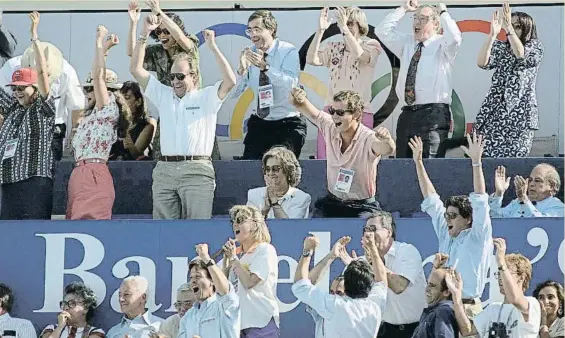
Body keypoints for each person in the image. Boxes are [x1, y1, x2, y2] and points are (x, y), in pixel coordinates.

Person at [130, 14, 235, 219]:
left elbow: (230, 81)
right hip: (164, 170)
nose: (175, 81)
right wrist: (143, 32)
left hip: (197, 170)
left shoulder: (206, 97)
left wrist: (213, 47)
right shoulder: (164, 95)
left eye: (180, 76)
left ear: (194, 76)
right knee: (163, 232)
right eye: (172, 77)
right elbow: (135, 68)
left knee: (197, 230)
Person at [410, 134, 492, 318]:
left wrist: (476, 163)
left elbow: (480, 201)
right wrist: (418, 163)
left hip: (468, 308)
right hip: (443, 307)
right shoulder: (445, 231)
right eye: (447, 215)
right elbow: (431, 198)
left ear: (468, 219)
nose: (447, 219)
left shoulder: (478, 236)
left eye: (453, 216)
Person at [289, 87, 395, 217]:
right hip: (333, 201)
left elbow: (387, 149)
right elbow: (301, 105)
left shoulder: (368, 138)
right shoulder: (330, 125)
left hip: (362, 206)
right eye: (332, 111)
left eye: (340, 112)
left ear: (356, 114)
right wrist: (298, 96)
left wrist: (388, 140)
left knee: (372, 228)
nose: (334, 117)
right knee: (315, 224)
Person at [376, 0, 461, 158]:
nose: (417, 22)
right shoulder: (408, 43)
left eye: (423, 19)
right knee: (403, 166)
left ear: (436, 24)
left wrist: (443, 13)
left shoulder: (442, 44)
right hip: (407, 113)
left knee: (431, 165)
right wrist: (403, 9)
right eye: (415, 18)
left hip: (433, 113)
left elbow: (455, 38)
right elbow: (382, 31)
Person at [306, 6, 382, 159]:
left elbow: (361, 56)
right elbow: (311, 59)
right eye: (344, 23)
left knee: (360, 159)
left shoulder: (371, 45)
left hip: (359, 112)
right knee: (327, 158)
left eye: (350, 23)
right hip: (332, 112)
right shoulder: (334, 47)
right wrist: (320, 31)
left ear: (360, 25)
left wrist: (344, 30)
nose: (345, 26)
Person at [0, 12, 55, 220]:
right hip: (8, 182)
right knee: (8, 239)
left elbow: (42, 73)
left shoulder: (42, 109)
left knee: (34, 237)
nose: (17, 92)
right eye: (14, 88)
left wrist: (34, 36)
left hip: (34, 182)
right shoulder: (13, 107)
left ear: (34, 87)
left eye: (22, 88)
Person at [231, 10, 307, 160]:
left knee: (282, 167)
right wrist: (241, 70)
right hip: (260, 122)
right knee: (249, 169)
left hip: (287, 123)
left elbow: (291, 83)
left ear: (271, 30)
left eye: (257, 29)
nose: (253, 35)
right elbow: (233, 93)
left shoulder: (287, 51)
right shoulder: (250, 53)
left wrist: (265, 68)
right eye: (250, 30)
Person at [67, 28, 126, 220]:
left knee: (93, 222)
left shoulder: (109, 108)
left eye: (91, 89)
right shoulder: (88, 117)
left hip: (95, 171)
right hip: (78, 173)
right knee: (73, 223)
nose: (88, 93)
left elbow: (98, 75)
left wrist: (100, 43)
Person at [475, 3, 544, 157]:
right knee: (487, 160)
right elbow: (482, 62)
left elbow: (521, 55)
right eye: (510, 25)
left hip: (520, 114)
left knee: (514, 162)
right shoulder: (501, 47)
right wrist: (492, 35)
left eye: (517, 26)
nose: (511, 28)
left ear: (527, 29)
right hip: (494, 111)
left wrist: (509, 29)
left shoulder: (535, 47)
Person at [291, 232, 388, 338]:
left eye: (338, 293)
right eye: (331, 292)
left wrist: (308, 251)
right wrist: (373, 249)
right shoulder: (375, 305)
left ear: (346, 289)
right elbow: (381, 280)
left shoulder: (334, 305)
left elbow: (300, 285)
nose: (334, 295)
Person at [0, 46, 84, 162]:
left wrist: (75, 136)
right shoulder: (11, 67)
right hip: (18, 127)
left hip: (53, 129)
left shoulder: (66, 71)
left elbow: (77, 106)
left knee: (48, 170)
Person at [447, 238, 541, 337]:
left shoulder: (532, 303)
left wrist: (501, 262)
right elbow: (467, 330)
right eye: (499, 273)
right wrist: (456, 296)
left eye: (505, 272)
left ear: (521, 278)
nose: (500, 278)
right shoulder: (493, 309)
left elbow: (515, 299)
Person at [221, 205, 279, 337]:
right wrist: (226, 260)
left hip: (260, 322)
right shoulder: (237, 255)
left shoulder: (265, 249)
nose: (235, 225)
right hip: (236, 324)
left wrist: (233, 259)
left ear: (254, 225)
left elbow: (249, 282)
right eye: (234, 221)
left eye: (240, 220)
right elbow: (223, 289)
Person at [178, 244, 240, 338]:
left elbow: (226, 292)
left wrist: (206, 258)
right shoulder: (187, 317)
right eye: (191, 277)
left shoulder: (224, 306)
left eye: (198, 276)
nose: (193, 281)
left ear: (212, 281)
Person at [247, 146, 311, 218]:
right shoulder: (254, 195)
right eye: (267, 169)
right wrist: (264, 211)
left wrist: (275, 204)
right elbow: (249, 227)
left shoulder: (301, 198)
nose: (270, 173)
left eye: (275, 169)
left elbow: (290, 227)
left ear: (287, 171)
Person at [411, 253, 458, 338]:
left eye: (432, 286)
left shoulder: (442, 313)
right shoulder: (435, 310)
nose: (427, 288)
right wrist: (435, 268)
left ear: (447, 292)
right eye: (428, 283)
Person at [489, 164, 564, 217]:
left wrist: (524, 199)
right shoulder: (517, 202)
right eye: (530, 180)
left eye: (537, 180)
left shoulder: (557, 206)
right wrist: (499, 193)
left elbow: (541, 224)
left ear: (551, 186)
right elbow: (494, 218)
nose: (531, 184)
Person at [40, 282, 105, 338]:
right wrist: (60, 327)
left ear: (86, 309)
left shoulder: (95, 332)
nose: (66, 308)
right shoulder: (52, 328)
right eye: (64, 304)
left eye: (72, 303)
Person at [110, 81, 154, 160]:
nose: (122, 102)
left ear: (138, 102)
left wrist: (124, 129)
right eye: (121, 98)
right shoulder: (113, 122)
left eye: (126, 98)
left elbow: (136, 155)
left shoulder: (147, 126)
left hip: (132, 168)